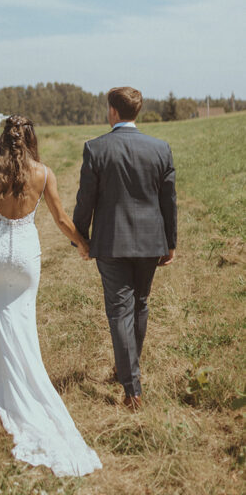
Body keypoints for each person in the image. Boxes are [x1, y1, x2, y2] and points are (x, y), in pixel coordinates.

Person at [0, 114, 102, 477]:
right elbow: (61, 219)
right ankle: (23, 382)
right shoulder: (43, 173)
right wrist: (82, 244)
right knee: (22, 318)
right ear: (31, 139)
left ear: (4, 137)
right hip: (26, 254)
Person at [73, 86, 177, 411]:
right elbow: (168, 201)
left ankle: (132, 390)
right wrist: (170, 242)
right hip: (150, 242)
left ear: (114, 112)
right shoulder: (160, 149)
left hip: (111, 242)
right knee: (140, 305)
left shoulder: (96, 148)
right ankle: (126, 370)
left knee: (120, 311)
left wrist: (80, 237)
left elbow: (85, 199)